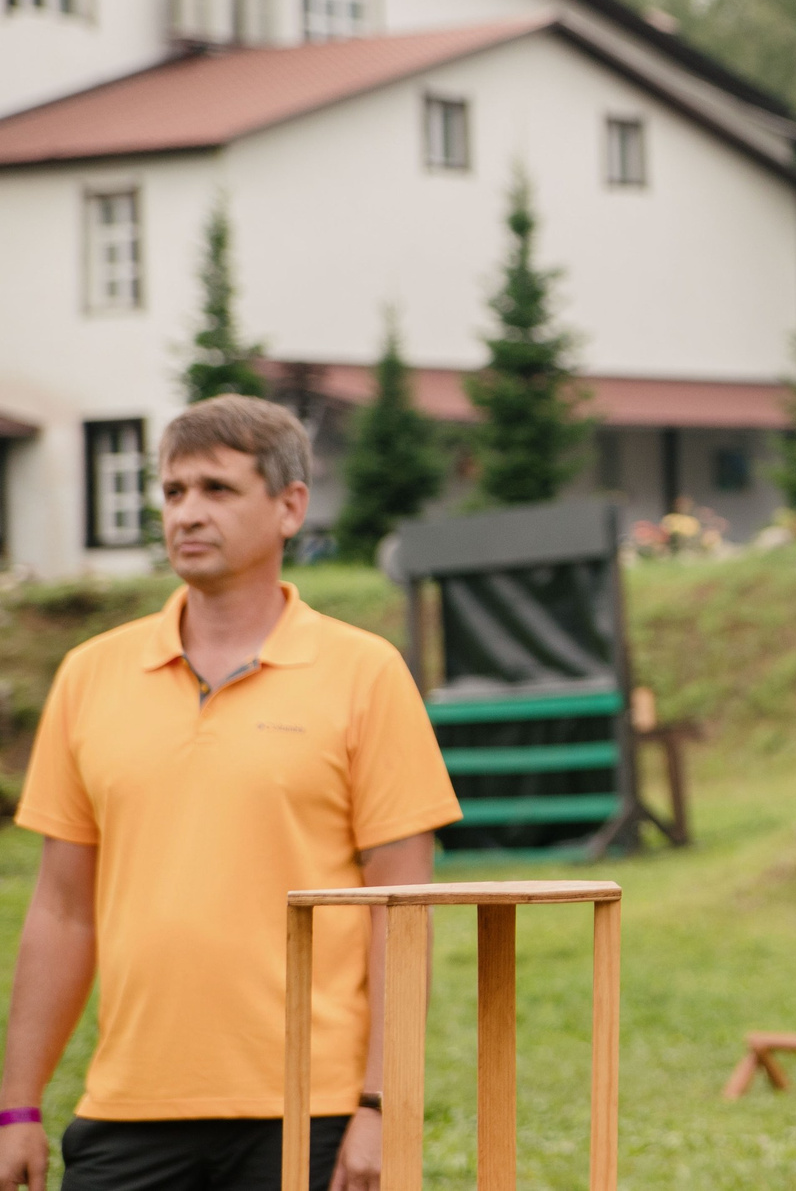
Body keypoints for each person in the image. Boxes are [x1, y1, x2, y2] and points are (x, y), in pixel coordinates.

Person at [0, 396, 461, 1191]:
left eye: (217, 488)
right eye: (174, 492)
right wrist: (17, 1106)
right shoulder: (90, 675)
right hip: (129, 1106)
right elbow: (63, 908)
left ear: (291, 507)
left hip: (311, 1108)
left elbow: (403, 904)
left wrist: (385, 1102)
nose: (188, 513)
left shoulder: (365, 672)